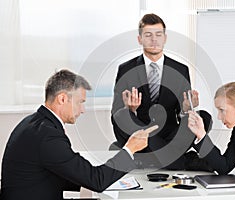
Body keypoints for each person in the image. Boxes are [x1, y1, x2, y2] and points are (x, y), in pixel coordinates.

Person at [0, 69, 158, 200]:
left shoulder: (33, 123)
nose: (82, 110)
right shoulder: (48, 136)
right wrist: (130, 149)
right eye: (80, 102)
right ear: (62, 99)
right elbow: (96, 180)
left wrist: (93, 177)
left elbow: (57, 172)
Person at [111, 13, 212, 170]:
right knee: (122, 115)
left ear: (165, 38)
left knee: (203, 117)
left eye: (158, 35)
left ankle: (154, 159)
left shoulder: (180, 69)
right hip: (140, 137)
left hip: (169, 137)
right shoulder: (126, 69)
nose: (154, 40)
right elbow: (116, 114)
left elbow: (182, 115)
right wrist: (130, 110)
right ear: (140, 39)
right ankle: (180, 162)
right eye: (148, 35)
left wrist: (186, 108)